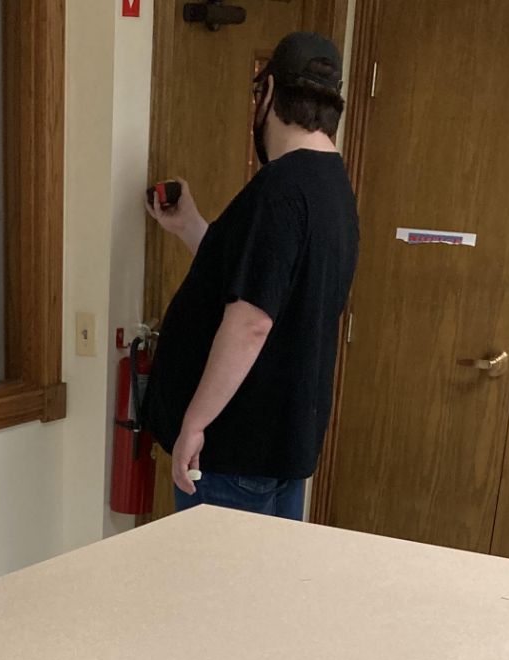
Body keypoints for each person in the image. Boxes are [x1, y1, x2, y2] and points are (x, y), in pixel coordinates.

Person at [141, 32, 359, 519]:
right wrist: (191, 227)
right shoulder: (333, 189)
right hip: (280, 449)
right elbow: (268, 281)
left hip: (232, 452)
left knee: (215, 591)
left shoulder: (278, 190)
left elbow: (251, 321)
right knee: (259, 591)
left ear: (268, 92)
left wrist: (194, 424)